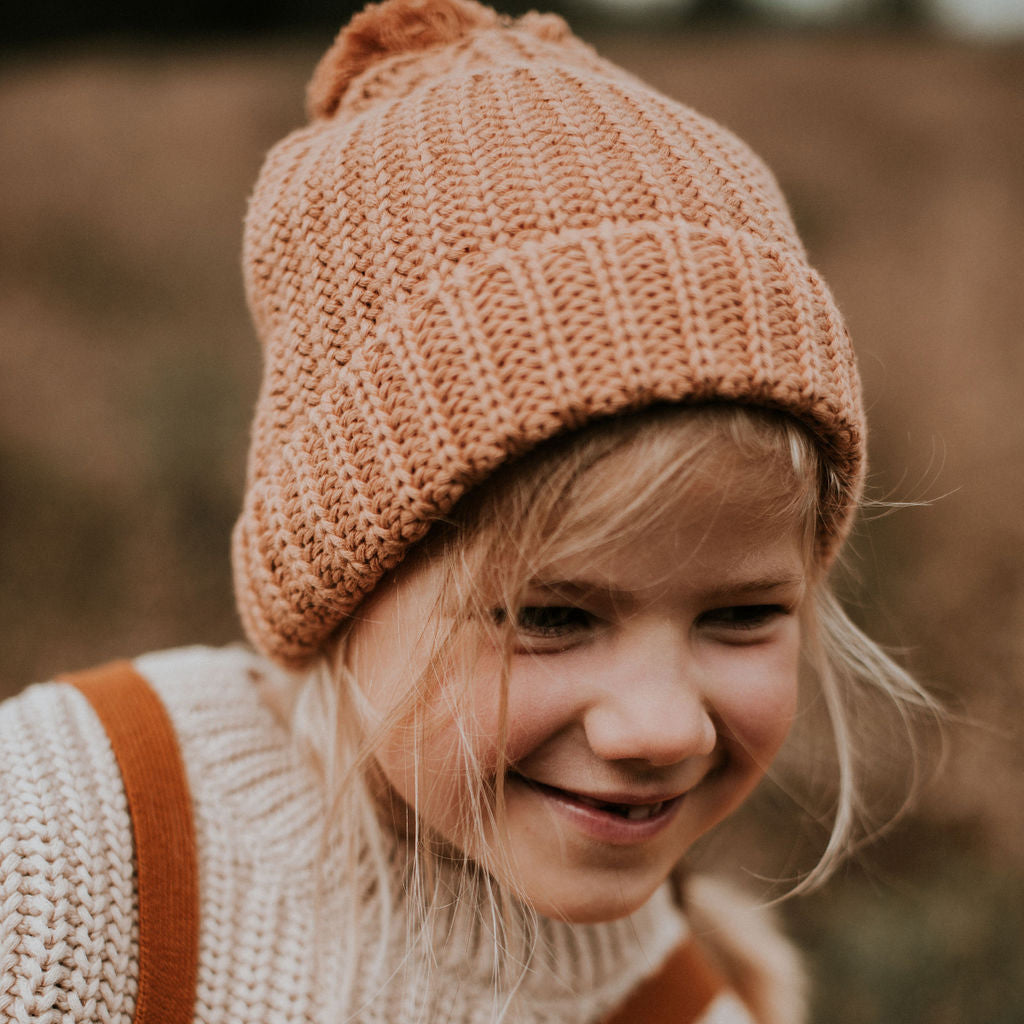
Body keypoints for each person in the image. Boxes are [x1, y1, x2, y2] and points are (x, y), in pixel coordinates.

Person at [0, 0, 933, 1020]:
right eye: (552, 616)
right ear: (345, 581)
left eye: (743, 615)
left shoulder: (683, 1007)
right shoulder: (69, 841)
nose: (658, 725)